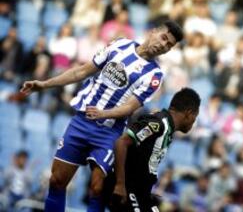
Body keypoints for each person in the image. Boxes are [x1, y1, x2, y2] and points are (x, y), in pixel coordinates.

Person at [20, 20, 184, 212]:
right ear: (154, 31)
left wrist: (104, 113)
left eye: (169, 45)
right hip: (82, 122)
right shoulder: (119, 45)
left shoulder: (154, 75)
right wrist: (44, 84)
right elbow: (81, 71)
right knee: (57, 180)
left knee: (97, 188)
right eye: (164, 38)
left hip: (109, 132)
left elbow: (131, 107)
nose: (163, 45)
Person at [108, 87, 201, 211]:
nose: (194, 122)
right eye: (195, 117)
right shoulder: (158, 123)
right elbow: (121, 143)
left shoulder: (168, 130)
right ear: (189, 113)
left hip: (143, 193)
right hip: (128, 187)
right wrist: (120, 184)